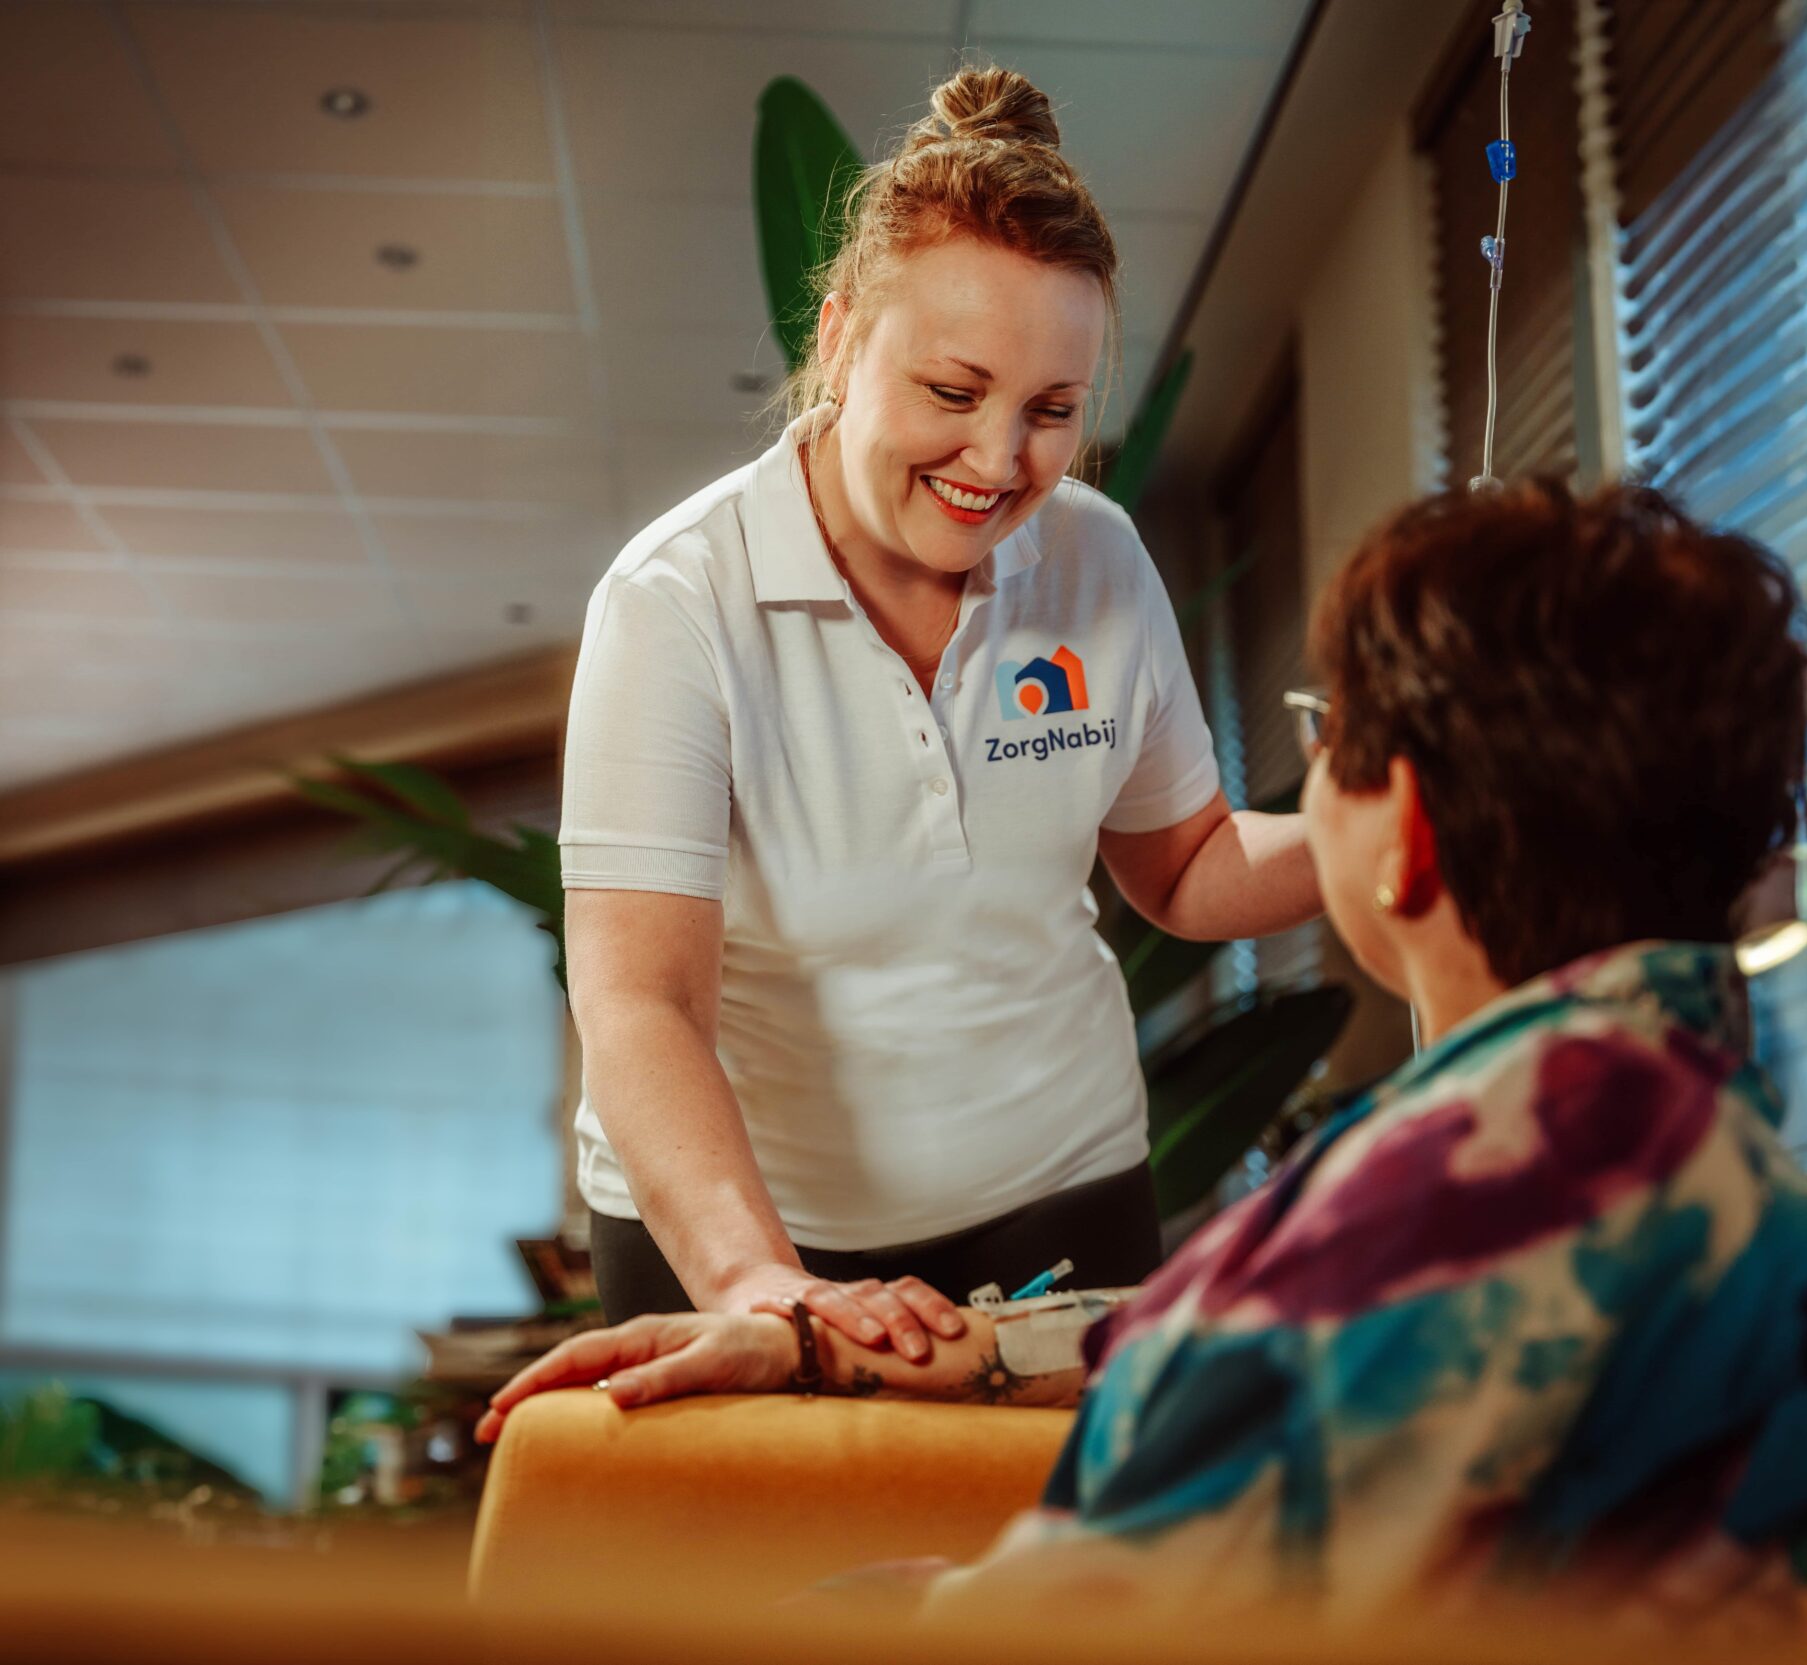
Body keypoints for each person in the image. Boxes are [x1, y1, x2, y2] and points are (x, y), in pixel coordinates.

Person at [484, 480, 1807, 1625]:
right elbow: (1257, 1343)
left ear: (1403, 835)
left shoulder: (1453, 1195)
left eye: (1326, 736)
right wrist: (862, 1343)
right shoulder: (1683, 1132)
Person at [560, 63, 1322, 1345]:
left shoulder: (1093, 555)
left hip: (1057, 1196)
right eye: (953, 393)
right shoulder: (677, 600)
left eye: (1052, 413)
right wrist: (757, 1279)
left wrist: (1396, 826)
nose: (998, 461)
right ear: (846, 335)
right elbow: (643, 1000)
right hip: (744, 1226)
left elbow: (1184, 867)